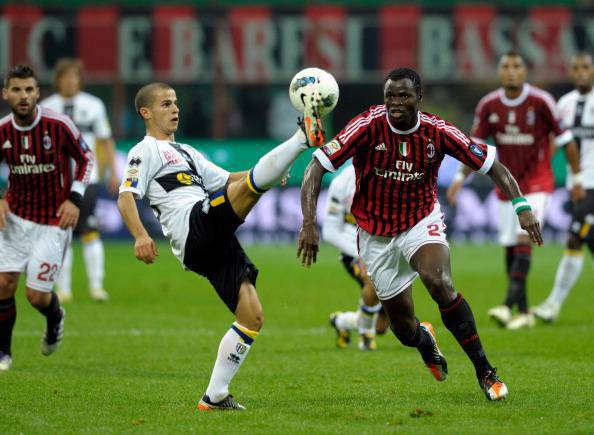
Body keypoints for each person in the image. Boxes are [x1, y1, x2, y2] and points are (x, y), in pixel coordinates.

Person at [298, 67, 546, 401]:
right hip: (375, 235)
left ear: (419, 97)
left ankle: (486, 373)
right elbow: (315, 167)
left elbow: (493, 166)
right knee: (402, 328)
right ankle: (424, 340)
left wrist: (521, 204)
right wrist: (309, 222)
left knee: (439, 281)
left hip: (420, 221)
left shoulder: (437, 131)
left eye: (403, 96)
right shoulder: (368, 125)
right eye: (390, 96)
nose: (395, 103)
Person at [117, 82, 323, 411]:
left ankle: (214, 396)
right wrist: (140, 235)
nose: (175, 109)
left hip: (212, 241)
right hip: (192, 225)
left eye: (175, 102)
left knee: (252, 317)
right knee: (253, 187)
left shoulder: (187, 152)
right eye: (166, 104)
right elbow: (126, 195)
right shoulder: (144, 151)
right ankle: (302, 138)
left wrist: (268, 173)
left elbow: (228, 180)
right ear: (146, 112)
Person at [446, 52, 583, 330]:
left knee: (523, 236)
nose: (511, 71)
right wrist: (460, 178)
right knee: (510, 247)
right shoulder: (489, 105)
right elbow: (474, 148)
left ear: (524, 72)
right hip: (506, 185)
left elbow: (567, 141)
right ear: (499, 72)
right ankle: (524, 311)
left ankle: (508, 305)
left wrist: (577, 177)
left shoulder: (541, 102)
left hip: (538, 182)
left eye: (517, 66)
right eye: (506, 66)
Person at [0, 65, 94, 371]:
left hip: (53, 221)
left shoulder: (58, 125)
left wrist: (74, 199)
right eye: (17, 90)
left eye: (29, 89)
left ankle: (55, 317)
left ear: (37, 93)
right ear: (6, 94)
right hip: (15, 218)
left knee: (36, 297)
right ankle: (3, 353)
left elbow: (86, 158)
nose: (23, 96)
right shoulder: (3, 130)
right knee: (4, 284)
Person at [41, 58, 118, 302]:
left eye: (74, 76)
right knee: (60, 233)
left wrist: (114, 171)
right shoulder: (46, 107)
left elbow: (105, 139)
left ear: (80, 80)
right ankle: (63, 289)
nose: (70, 81)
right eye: (65, 76)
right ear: (58, 80)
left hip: (88, 177)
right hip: (56, 180)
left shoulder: (94, 105)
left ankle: (96, 286)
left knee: (89, 229)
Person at [532, 53, 594, 322]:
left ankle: (552, 306)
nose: (581, 72)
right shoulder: (565, 104)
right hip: (576, 184)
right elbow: (553, 140)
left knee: (574, 236)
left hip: (591, 184)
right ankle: (552, 306)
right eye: (576, 68)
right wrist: (542, 167)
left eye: (586, 67)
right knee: (588, 239)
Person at [322, 163, 388, 350]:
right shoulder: (341, 183)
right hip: (353, 251)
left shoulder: (389, 175)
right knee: (372, 282)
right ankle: (366, 338)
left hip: (382, 248)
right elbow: (329, 232)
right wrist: (361, 253)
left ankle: (341, 321)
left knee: (383, 325)